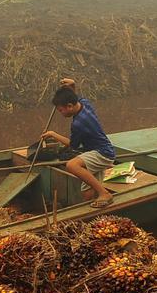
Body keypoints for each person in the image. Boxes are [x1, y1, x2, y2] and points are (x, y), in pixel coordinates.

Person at [41, 78, 118, 209]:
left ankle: (104, 194)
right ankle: (93, 210)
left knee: (72, 165)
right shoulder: (84, 104)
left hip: (101, 153)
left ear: (69, 106)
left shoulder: (79, 124)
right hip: (98, 151)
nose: (61, 113)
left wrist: (53, 134)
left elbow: (72, 145)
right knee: (87, 193)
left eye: (61, 110)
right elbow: (74, 97)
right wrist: (72, 85)